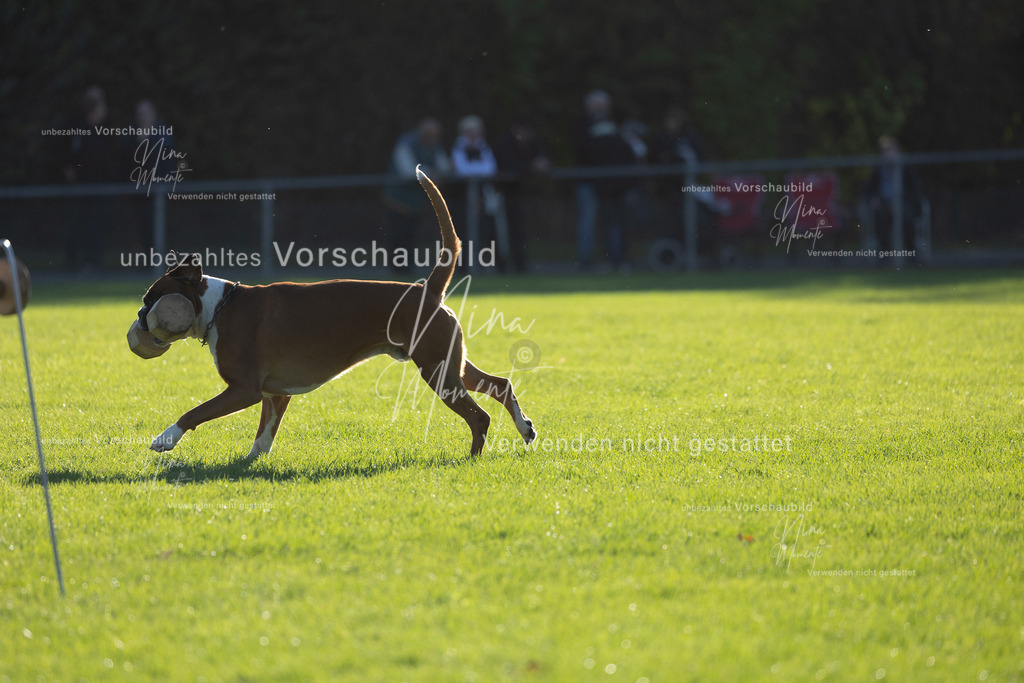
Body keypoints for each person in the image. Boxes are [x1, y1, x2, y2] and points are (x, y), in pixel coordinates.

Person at [574, 89, 637, 270]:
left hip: (613, 185)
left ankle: (614, 260)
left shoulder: (616, 126)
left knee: (613, 223)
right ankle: (585, 262)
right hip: (590, 183)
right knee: (589, 222)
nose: (600, 109)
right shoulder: (582, 126)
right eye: (596, 106)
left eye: (603, 106)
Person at [381, 118, 452, 270]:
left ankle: (408, 269)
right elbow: (407, 171)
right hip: (398, 200)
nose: (433, 139)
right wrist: (431, 172)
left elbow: (444, 167)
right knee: (398, 236)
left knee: (412, 237)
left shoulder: (435, 146)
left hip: (417, 203)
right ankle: (397, 271)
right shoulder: (406, 143)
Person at [62, 85, 120, 271]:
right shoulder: (75, 124)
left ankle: (93, 263)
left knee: (97, 226)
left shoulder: (109, 127)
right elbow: (69, 151)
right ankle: (70, 264)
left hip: (101, 186)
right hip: (80, 187)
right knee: (76, 224)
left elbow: (110, 157)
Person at [494, 117, 551, 273]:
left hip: (523, 195)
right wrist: (531, 167)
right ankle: (502, 266)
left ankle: (521, 265)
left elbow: (542, 159)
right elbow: (508, 165)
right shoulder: (505, 143)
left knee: (521, 230)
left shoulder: (533, 142)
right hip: (502, 194)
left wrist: (542, 163)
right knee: (502, 232)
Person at [450, 115, 501, 270]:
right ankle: (462, 267)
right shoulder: (458, 148)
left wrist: (475, 172)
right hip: (463, 197)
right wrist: (477, 172)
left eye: (476, 131)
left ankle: (490, 265)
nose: (474, 135)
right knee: (462, 231)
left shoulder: (483, 147)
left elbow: (490, 169)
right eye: (470, 131)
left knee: (487, 230)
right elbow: (462, 170)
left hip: (483, 196)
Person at [862, 135, 924, 254]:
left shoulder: (907, 169)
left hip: (905, 206)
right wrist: (874, 199)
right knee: (881, 220)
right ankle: (884, 254)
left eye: (891, 150)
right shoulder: (877, 170)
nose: (889, 154)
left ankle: (911, 254)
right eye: (886, 151)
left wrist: (904, 203)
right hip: (884, 206)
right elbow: (868, 190)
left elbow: (915, 191)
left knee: (908, 220)